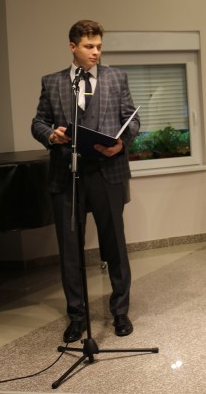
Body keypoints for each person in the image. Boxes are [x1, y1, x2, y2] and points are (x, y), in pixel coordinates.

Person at [31, 20, 140, 342]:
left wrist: (122, 143)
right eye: (89, 46)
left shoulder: (116, 78)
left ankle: (120, 312)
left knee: (114, 246)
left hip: (108, 172)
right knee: (70, 251)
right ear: (72, 47)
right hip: (67, 175)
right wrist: (51, 134)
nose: (96, 52)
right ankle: (77, 316)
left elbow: (132, 119)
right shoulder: (52, 82)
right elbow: (38, 122)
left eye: (99, 47)